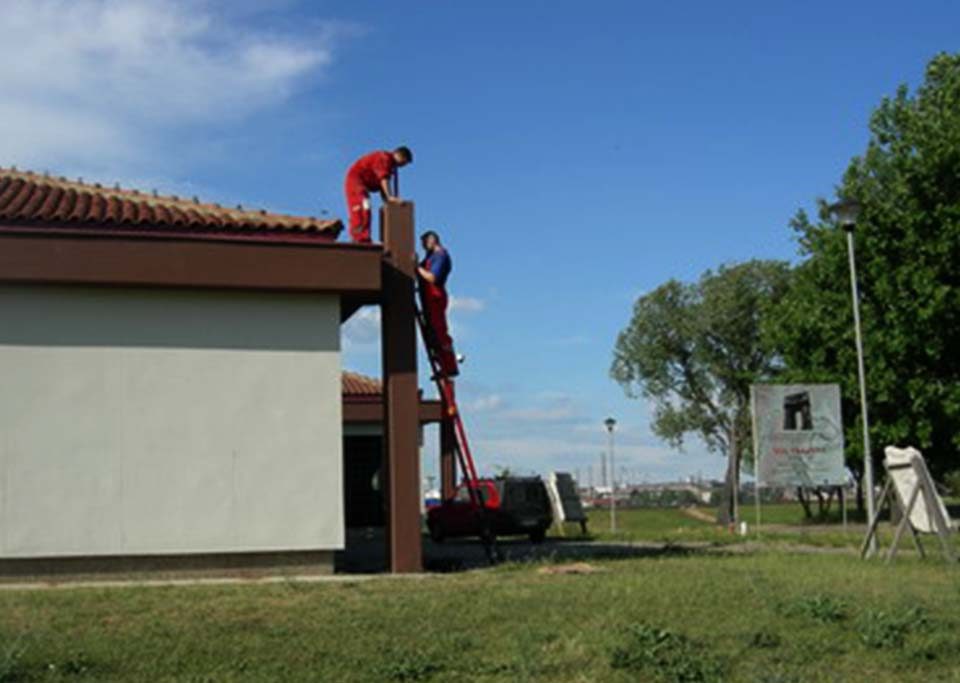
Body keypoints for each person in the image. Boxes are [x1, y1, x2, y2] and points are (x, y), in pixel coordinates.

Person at [343, 146, 413, 243]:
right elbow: (383, 179)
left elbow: (382, 187)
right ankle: (359, 238)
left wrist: (388, 203)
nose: (402, 165)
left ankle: (364, 237)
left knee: (366, 208)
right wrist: (390, 197)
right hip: (355, 183)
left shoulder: (390, 166)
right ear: (400, 156)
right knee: (362, 208)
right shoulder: (384, 158)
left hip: (362, 185)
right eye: (404, 163)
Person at [417, 230, 459, 378]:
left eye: (424, 244)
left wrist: (417, 267)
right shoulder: (431, 256)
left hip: (435, 297)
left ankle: (449, 366)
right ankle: (443, 364)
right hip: (428, 298)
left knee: (439, 332)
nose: (423, 248)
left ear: (432, 240)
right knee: (432, 333)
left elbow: (432, 277)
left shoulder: (440, 256)